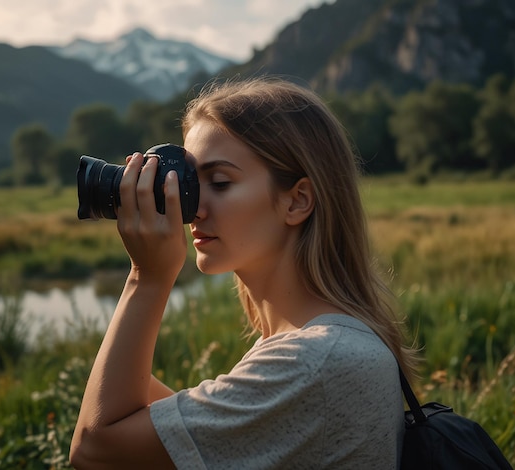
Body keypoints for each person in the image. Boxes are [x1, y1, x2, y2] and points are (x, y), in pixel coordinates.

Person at [69, 77, 416, 469]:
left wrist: (147, 277)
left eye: (219, 183)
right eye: (188, 185)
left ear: (297, 200)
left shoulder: (315, 363)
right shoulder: (317, 347)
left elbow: (95, 449)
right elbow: (172, 430)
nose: (193, 209)